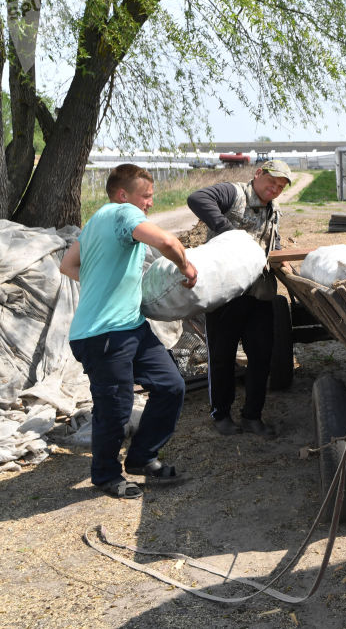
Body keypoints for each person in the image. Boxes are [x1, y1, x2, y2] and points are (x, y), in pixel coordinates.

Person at [60, 164, 198, 499]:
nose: (150, 203)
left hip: (131, 327)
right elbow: (165, 240)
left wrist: (101, 282)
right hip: (103, 335)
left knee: (170, 385)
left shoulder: (95, 222)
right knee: (115, 407)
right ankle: (106, 474)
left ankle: (141, 457)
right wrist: (187, 266)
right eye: (146, 196)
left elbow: (67, 265)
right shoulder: (122, 213)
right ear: (124, 195)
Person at [187, 160, 291, 437]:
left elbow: (272, 241)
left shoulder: (274, 209)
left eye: (281, 186)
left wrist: (282, 259)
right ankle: (221, 414)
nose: (275, 188)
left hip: (259, 294)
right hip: (225, 292)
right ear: (258, 174)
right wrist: (227, 231)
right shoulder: (235, 194)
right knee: (222, 357)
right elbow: (197, 198)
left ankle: (252, 416)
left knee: (261, 355)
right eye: (272, 181)